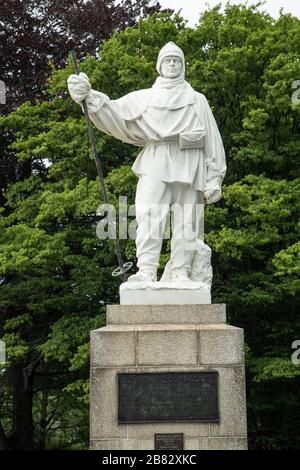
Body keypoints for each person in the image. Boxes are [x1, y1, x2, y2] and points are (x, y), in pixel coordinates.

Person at [68, 42, 226, 283]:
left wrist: (215, 176)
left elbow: (212, 140)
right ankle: (146, 271)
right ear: (160, 66)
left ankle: (181, 272)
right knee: (149, 216)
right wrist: (88, 96)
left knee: (187, 222)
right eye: (167, 60)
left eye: (177, 60)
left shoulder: (197, 100)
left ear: (183, 66)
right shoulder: (145, 98)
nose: (172, 64)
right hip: (155, 160)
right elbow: (113, 112)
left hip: (190, 164)